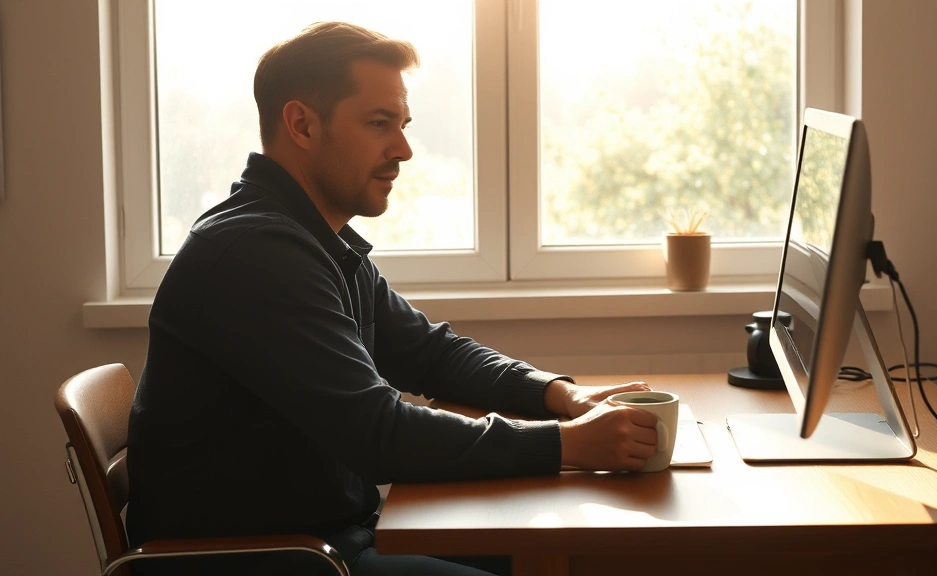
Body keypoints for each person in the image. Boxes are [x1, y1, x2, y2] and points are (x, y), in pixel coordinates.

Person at [126, 21, 659, 576]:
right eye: (379, 124)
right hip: (277, 559)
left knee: (586, 551)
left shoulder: (312, 242)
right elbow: (379, 433)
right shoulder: (254, 253)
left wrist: (561, 396)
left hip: (332, 538)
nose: (403, 149)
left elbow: (432, 353)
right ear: (302, 124)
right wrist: (567, 445)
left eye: (402, 125)